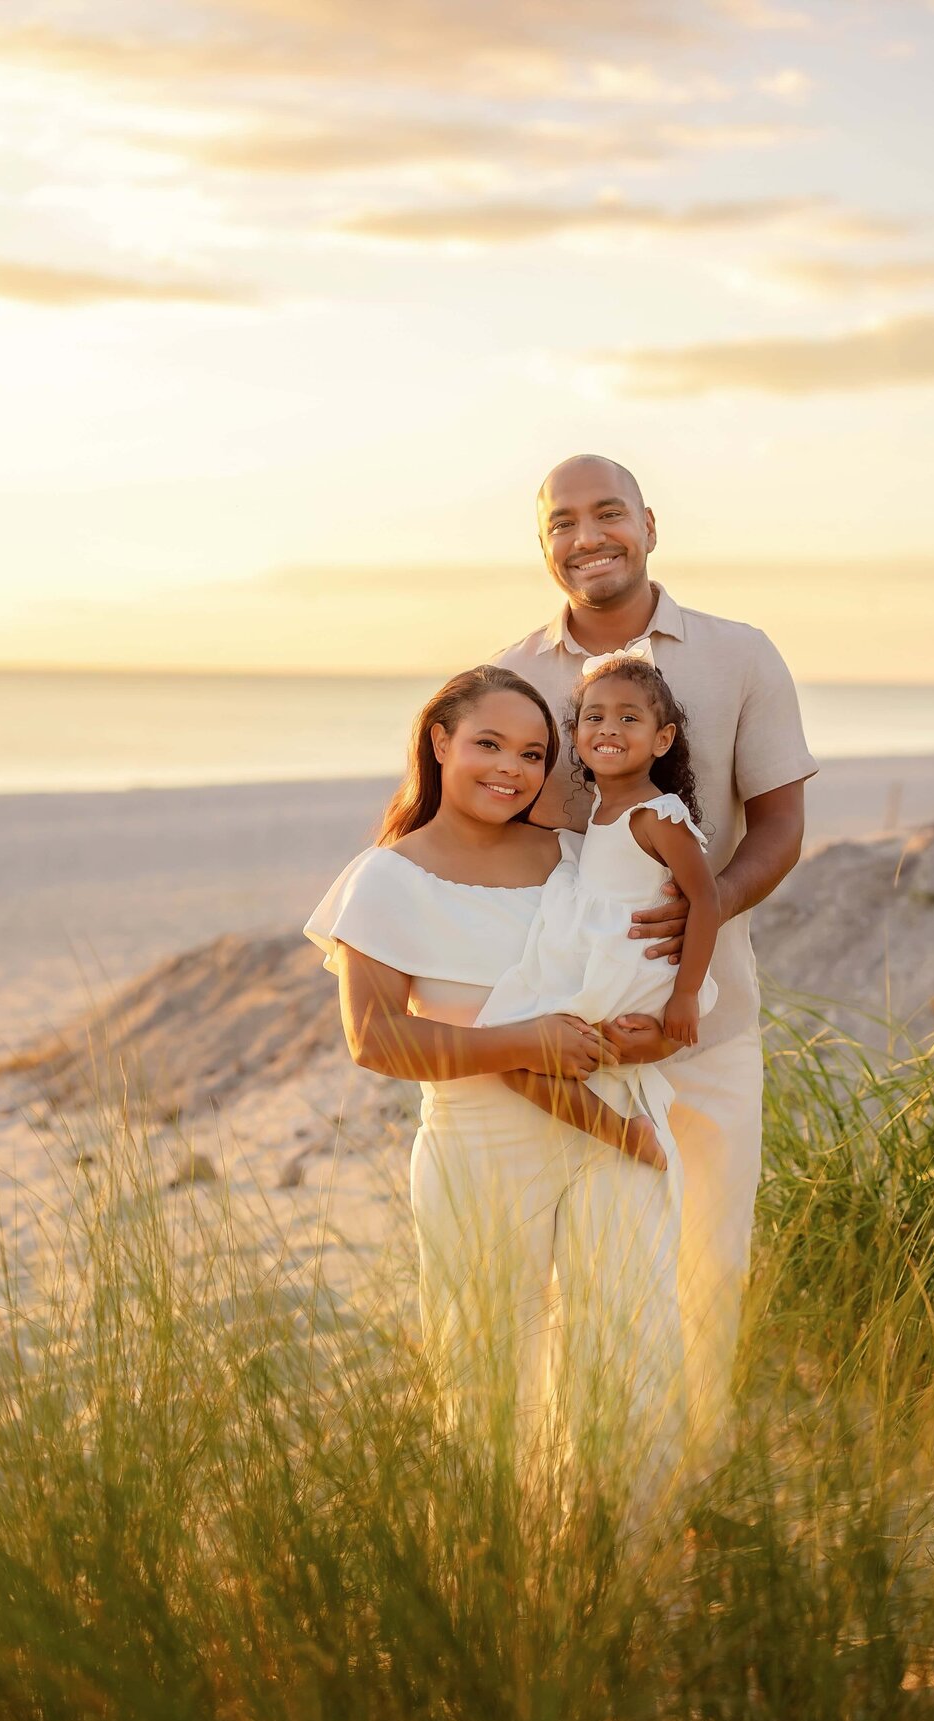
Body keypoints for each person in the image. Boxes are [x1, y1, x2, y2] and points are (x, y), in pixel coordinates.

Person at [492, 454, 819, 1462]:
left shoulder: (741, 654)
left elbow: (777, 827)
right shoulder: (512, 676)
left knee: (709, 1263)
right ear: (543, 543)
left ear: (648, 524)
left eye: (608, 514)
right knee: (582, 1278)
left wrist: (703, 912)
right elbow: (498, 845)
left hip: (706, 1028)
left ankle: (696, 1483)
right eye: (562, 521)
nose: (587, 536)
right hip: (570, 1042)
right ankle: (584, 1491)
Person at [303, 664, 686, 1511]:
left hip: (608, 1138)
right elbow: (375, 1041)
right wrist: (525, 1041)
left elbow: (634, 977)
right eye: (487, 745)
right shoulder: (387, 879)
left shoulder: (582, 860)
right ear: (440, 742)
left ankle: (620, 1560)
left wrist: (641, 1034)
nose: (510, 770)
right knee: (487, 1382)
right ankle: (496, 1575)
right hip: (478, 1152)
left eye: (532, 753)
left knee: (626, 1357)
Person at [476, 649, 721, 1180]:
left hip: (630, 965)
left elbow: (706, 899)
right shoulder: (603, 801)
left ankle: (629, 1135)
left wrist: (685, 997)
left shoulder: (657, 815)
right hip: (599, 954)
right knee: (521, 1054)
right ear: (578, 734)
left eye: (628, 718)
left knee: (519, 1055)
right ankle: (619, 1131)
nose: (609, 728)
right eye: (595, 717)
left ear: (663, 740)